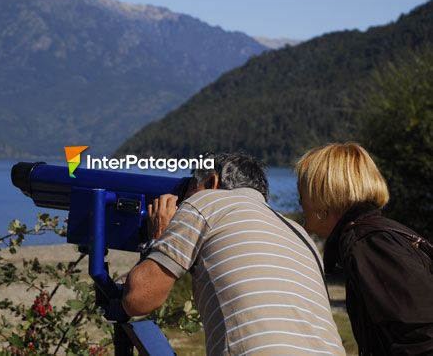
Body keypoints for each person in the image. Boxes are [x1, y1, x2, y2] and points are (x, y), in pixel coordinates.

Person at [122, 152, 345, 355]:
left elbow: (138, 299)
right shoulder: (299, 233)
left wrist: (160, 236)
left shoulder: (206, 201)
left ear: (211, 182)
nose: (182, 201)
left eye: (187, 189)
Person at [295, 142, 433, 355]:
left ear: (322, 200)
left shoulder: (368, 244)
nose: (300, 202)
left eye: (303, 193)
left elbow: (423, 332)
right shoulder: (376, 235)